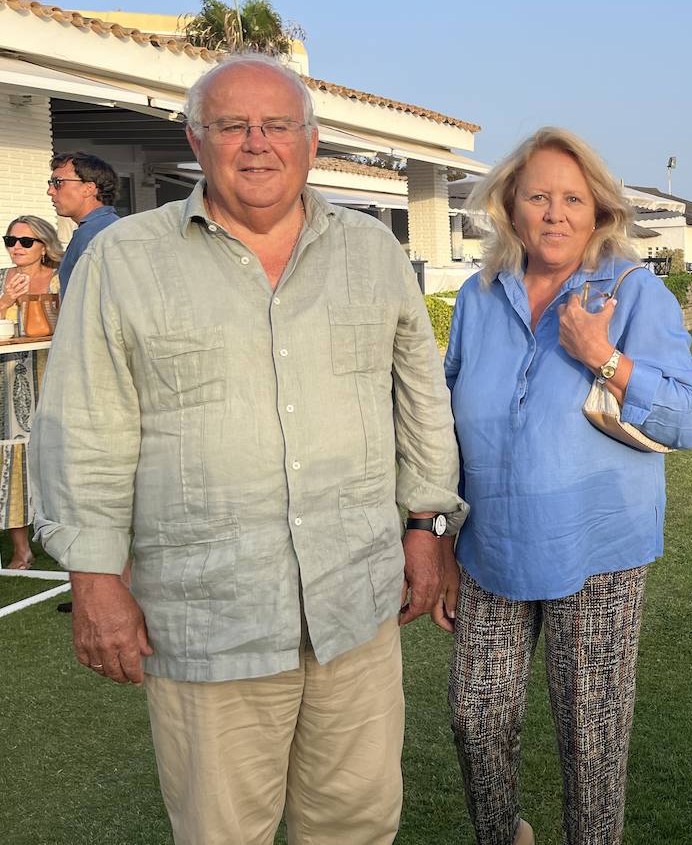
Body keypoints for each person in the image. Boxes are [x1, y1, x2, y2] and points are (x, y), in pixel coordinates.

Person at [31, 53, 464, 845]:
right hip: (208, 618)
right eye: (233, 125)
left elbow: (421, 402)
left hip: (355, 609)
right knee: (222, 831)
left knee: (359, 822)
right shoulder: (127, 262)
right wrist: (94, 579)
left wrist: (429, 526)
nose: (257, 142)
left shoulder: (372, 253)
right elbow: (82, 426)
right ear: (199, 139)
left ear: (312, 139)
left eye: (278, 124)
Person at [443, 127, 692, 845]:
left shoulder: (632, 292)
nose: (555, 213)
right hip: (490, 546)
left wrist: (605, 357)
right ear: (510, 207)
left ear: (598, 212)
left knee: (591, 742)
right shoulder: (477, 296)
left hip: (598, 552)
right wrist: (437, 534)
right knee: (475, 716)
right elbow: (444, 418)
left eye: (572, 198)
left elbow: (690, 418)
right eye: (538, 196)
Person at [1, 215, 62, 568]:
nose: (17, 248)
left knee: (56, 456)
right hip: (8, 379)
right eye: (10, 241)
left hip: (51, 375)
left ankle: (62, 537)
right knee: (11, 460)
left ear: (44, 246)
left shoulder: (58, 279)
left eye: (26, 241)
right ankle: (21, 550)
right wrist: (7, 298)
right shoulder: (2, 280)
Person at [47, 151, 120, 295]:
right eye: (51, 183)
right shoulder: (108, 226)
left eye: (58, 183)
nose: (50, 191)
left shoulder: (95, 234)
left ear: (89, 188)